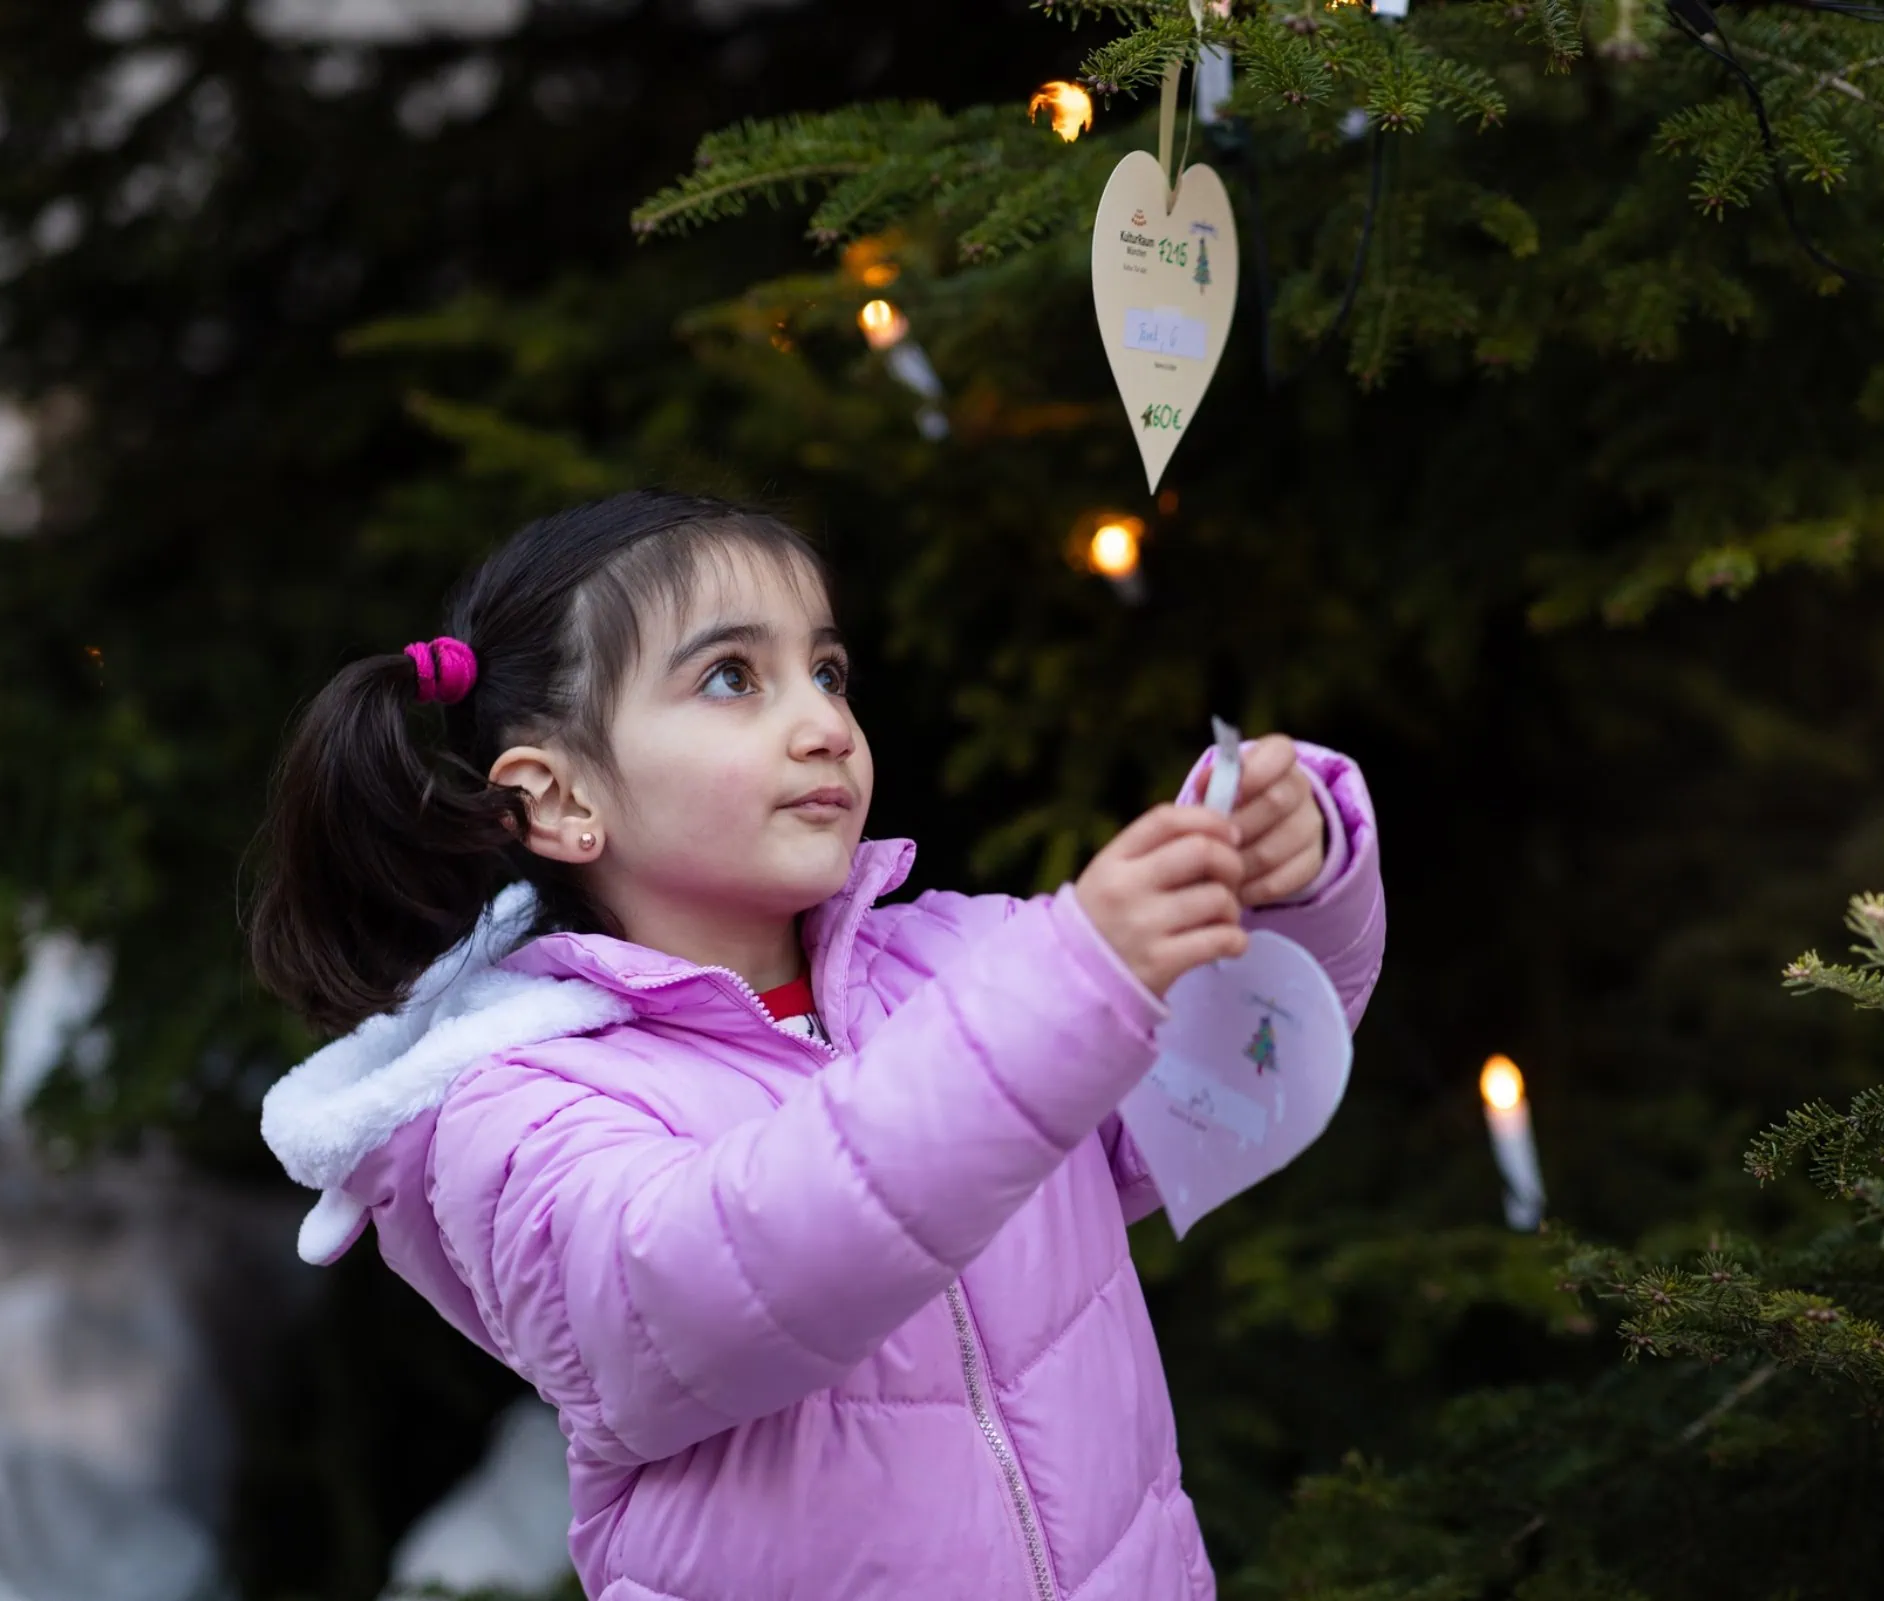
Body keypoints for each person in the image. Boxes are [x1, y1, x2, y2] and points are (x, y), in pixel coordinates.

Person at [247, 490, 1385, 1601]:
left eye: (828, 671)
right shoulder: (517, 1106)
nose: (824, 723)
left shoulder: (962, 960)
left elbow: (1216, 1082)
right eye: (733, 677)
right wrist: (1079, 979)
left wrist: (1285, 883)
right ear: (560, 798)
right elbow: (705, 1280)